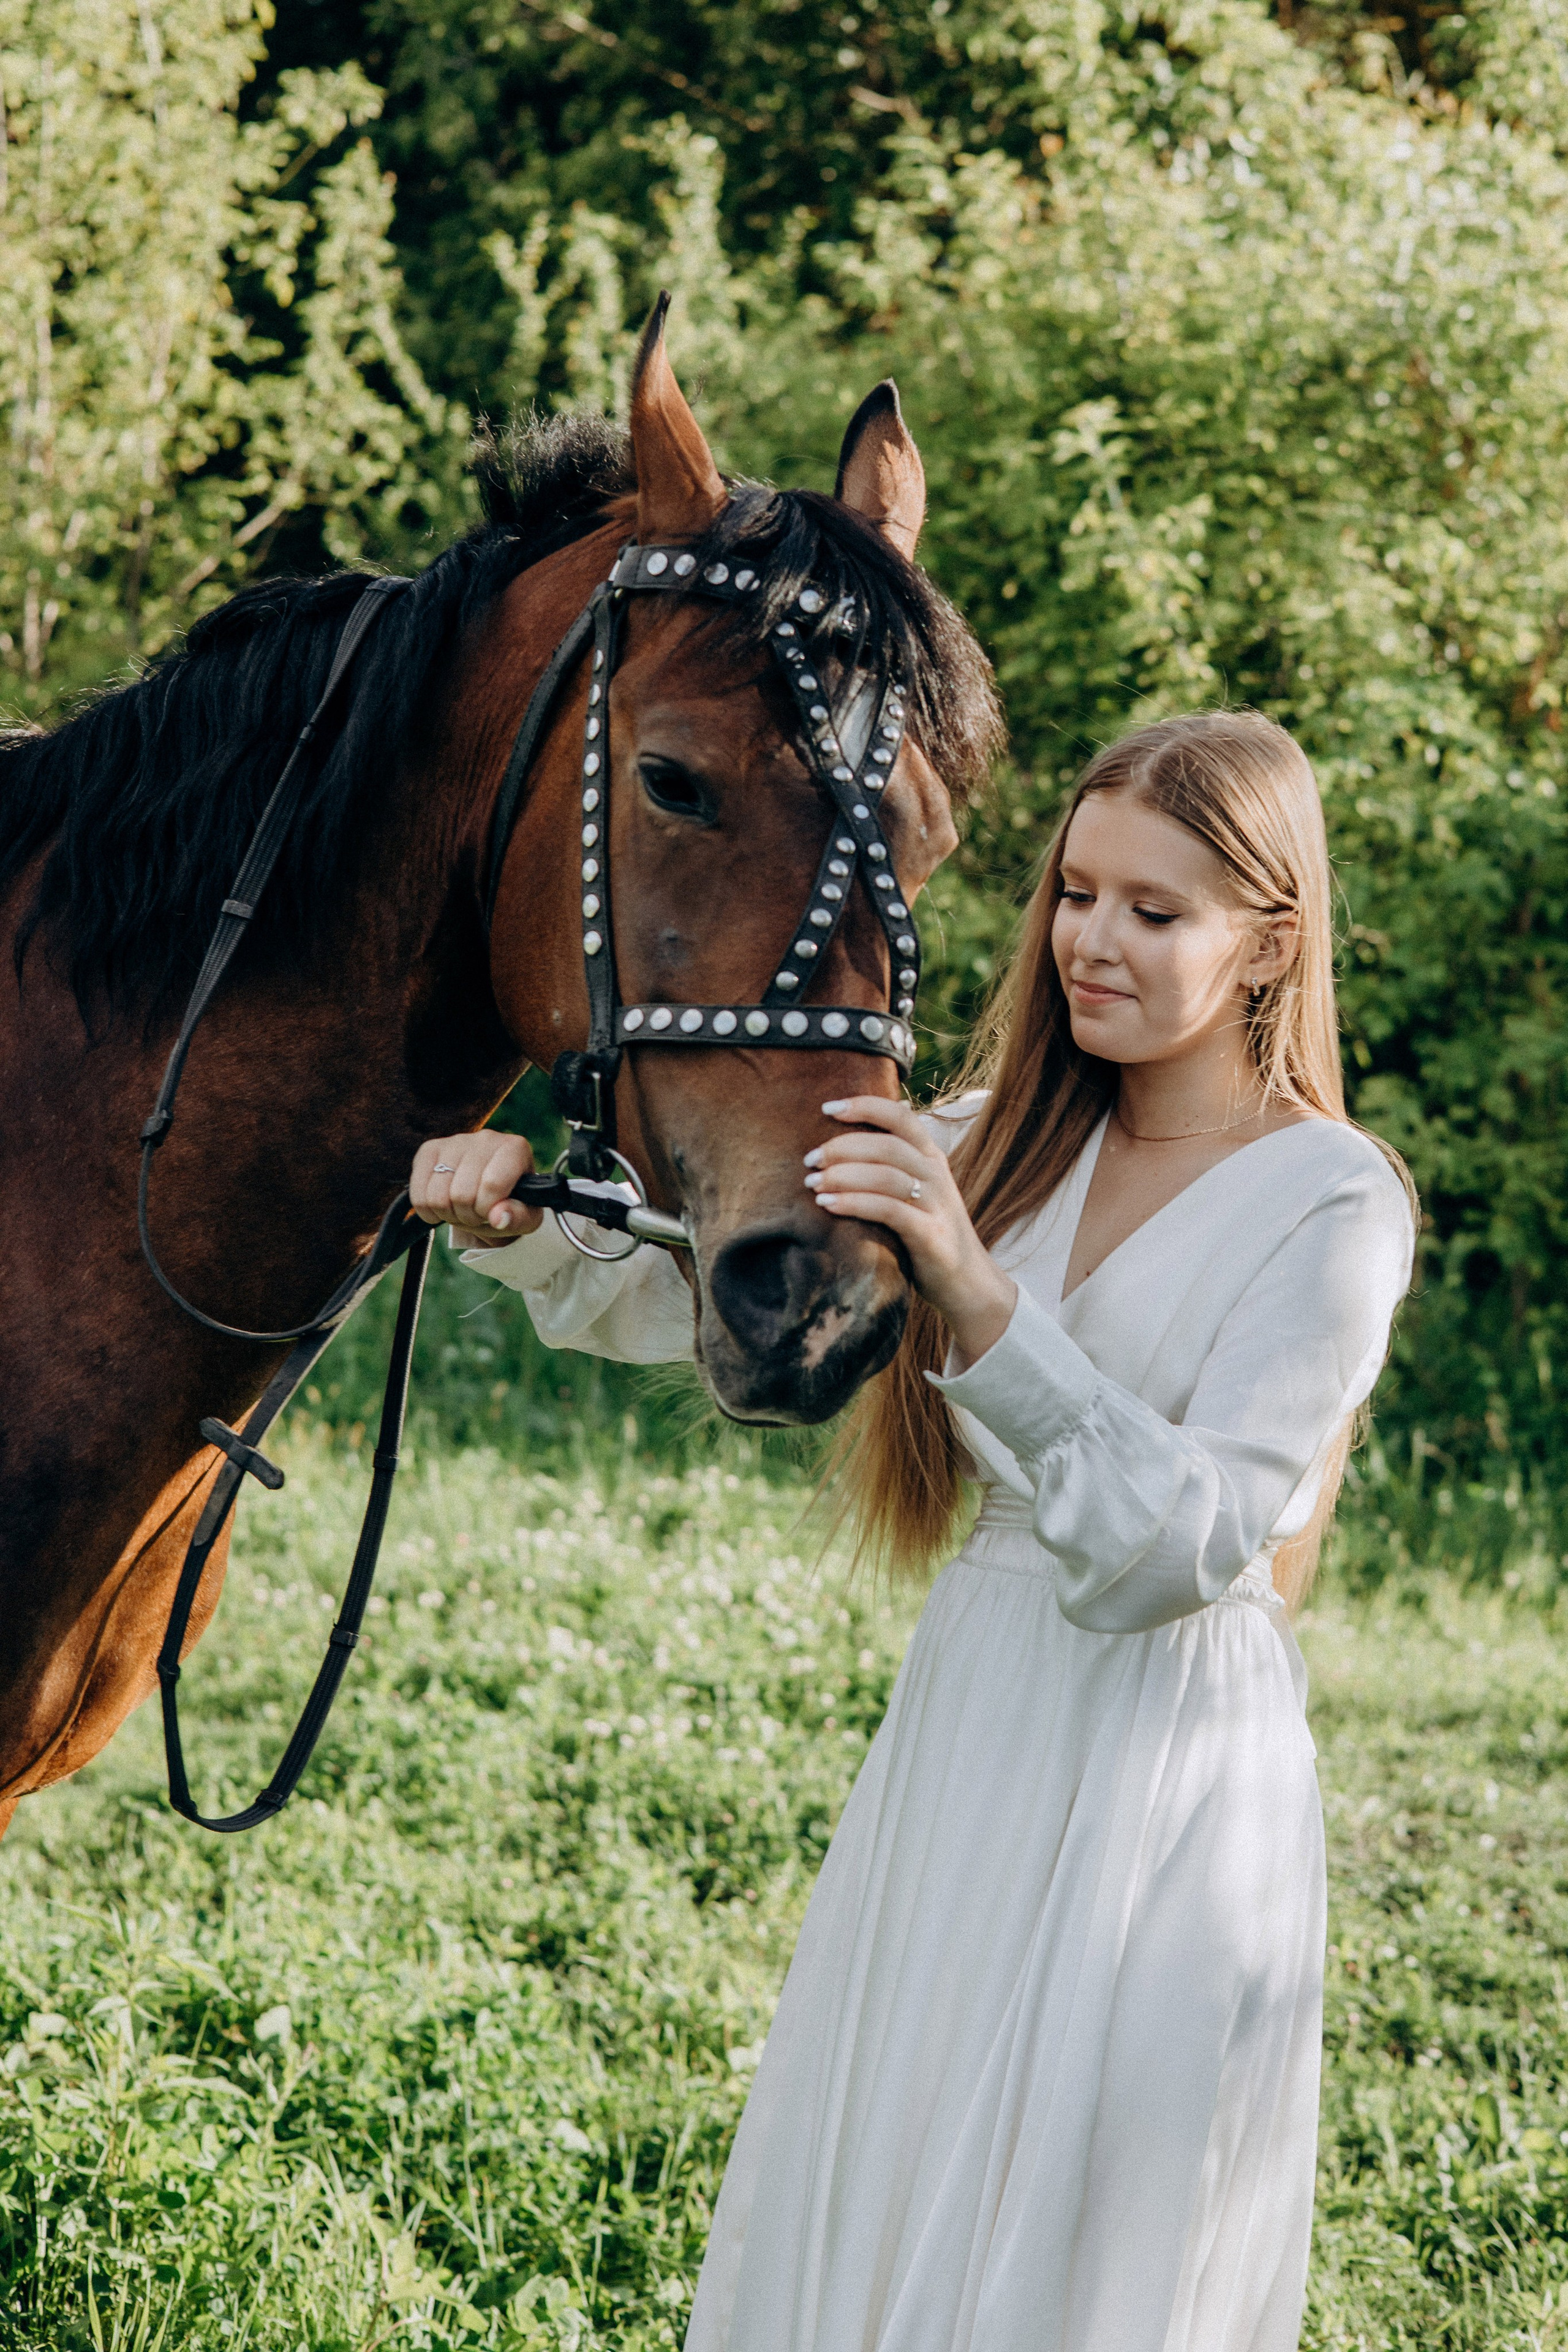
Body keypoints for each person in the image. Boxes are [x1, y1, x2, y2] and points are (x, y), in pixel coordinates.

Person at [411, 710, 1416, 2352]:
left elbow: (1189, 1541)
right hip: (975, 1718)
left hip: (1169, 1764)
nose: (1091, 938)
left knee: (1090, 2215)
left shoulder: (1330, 1202)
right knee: (897, 2162)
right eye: (1076, 892)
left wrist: (978, 1294)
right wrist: (521, 1222)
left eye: (1154, 912)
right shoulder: (989, 1141)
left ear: (1269, 943)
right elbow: (686, 1272)